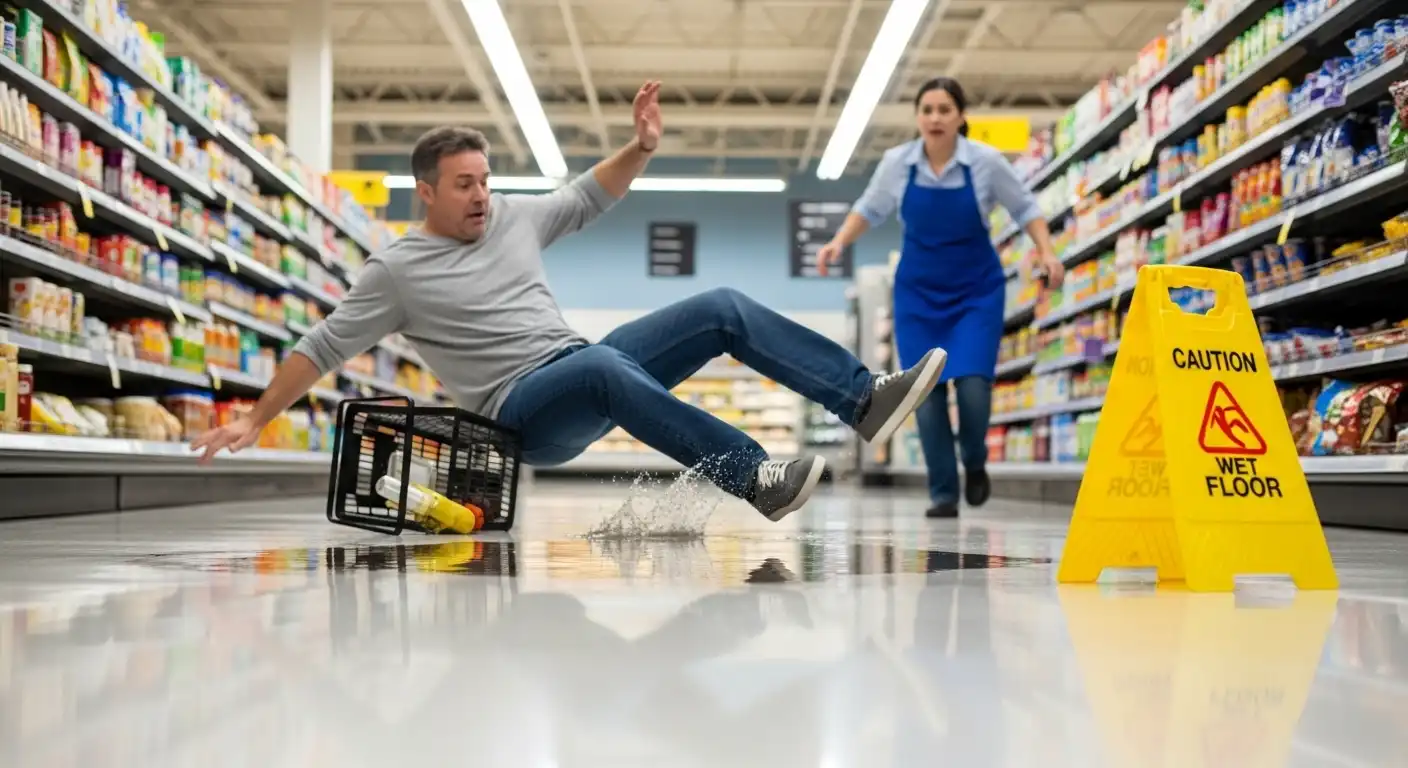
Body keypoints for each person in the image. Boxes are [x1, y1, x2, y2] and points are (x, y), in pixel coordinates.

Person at [192, 81, 948, 521]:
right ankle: (754, 479)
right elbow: (321, 347)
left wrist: (642, 148)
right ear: (425, 191)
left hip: (581, 360)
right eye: (464, 185)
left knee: (719, 305)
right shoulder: (396, 270)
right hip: (520, 413)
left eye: (485, 179)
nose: (482, 195)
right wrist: (256, 418)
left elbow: (588, 196)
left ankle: (863, 401)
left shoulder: (513, 216)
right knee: (602, 371)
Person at [816, 76, 1063, 518]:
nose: (934, 118)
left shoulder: (985, 162)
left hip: (975, 293)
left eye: (944, 110)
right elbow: (870, 209)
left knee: (972, 390)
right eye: (927, 110)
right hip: (917, 295)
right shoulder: (898, 163)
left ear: (960, 117)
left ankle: (974, 460)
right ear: (918, 117)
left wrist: (1045, 250)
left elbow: (1025, 208)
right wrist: (838, 242)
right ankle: (943, 492)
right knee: (924, 397)